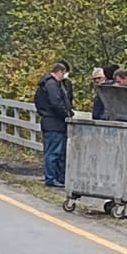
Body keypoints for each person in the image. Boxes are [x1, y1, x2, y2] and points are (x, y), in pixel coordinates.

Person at [33, 61, 74, 189]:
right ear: (60, 72)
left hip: (51, 121)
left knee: (57, 151)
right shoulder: (52, 85)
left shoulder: (46, 84)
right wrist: (67, 114)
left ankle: (56, 177)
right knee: (54, 152)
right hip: (54, 122)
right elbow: (56, 103)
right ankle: (51, 178)